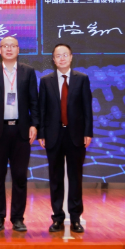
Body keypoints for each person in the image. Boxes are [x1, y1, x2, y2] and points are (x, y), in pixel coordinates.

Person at [0, 36, 39, 232]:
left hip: (21, 131)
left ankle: (17, 218)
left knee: (20, 176)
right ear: (0, 50)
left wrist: (34, 124)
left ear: (18, 49)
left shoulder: (28, 71)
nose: (9, 49)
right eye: (5, 46)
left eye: (13, 46)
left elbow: (34, 102)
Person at [38, 43, 93, 233]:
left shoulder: (82, 79)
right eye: (58, 56)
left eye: (65, 55)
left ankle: (75, 218)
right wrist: (41, 133)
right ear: (53, 60)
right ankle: (57, 218)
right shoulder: (46, 81)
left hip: (76, 135)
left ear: (71, 57)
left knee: (75, 177)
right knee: (55, 178)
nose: (61, 58)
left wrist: (88, 132)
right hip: (53, 135)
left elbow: (87, 109)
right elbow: (42, 110)